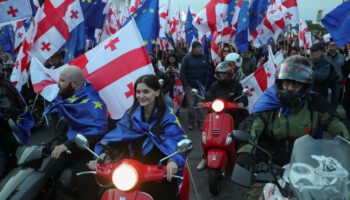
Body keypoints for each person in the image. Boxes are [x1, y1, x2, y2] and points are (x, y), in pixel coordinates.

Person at [235, 55, 350, 200]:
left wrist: (347, 145)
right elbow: (252, 126)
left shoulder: (315, 102)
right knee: (255, 195)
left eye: (295, 84)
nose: (289, 88)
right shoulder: (268, 102)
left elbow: (336, 124)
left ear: (306, 85)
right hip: (271, 163)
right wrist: (246, 154)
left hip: (308, 165)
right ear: (279, 82)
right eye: (286, 82)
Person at [89, 74, 188, 200]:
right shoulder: (130, 115)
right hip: (129, 168)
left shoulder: (168, 116)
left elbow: (177, 140)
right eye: (138, 92)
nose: (141, 96)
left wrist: (173, 161)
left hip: (158, 169)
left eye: (146, 91)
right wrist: (102, 155)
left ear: (157, 92)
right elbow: (117, 137)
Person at [43, 65, 108, 200]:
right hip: (68, 147)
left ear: (75, 83)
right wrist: (58, 143)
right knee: (45, 176)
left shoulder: (92, 102)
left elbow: (97, 132)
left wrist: (67, 145)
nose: (58, 84)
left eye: (62, 80)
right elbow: (63, 125)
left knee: (85, 184)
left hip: (88, 151)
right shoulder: (65, 96)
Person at [196, 60, 249, 171]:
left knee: (238, 131)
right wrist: (204, 102)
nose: (221, 76)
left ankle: (239, 155)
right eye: (220, 74)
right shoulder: (215, 85)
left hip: (232, 114)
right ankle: (205, 157)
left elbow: (242, 96)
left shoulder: (236, 85)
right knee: (208, 133)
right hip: (216, 113)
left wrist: (242, 102)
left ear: (230, 74)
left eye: (224, 74)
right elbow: (208, 97)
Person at [0, 70, 34, 179]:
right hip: (5, 133)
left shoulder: (2, 88)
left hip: (7, 133)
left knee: (12, 163)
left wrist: (5, 119)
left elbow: (10, 111)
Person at [180, 41, 210, 130]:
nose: (200, 49)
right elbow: (182, 72)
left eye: (201, 47)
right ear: (193, 49)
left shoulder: (204, 58)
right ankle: (190, 123)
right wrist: (186, 85)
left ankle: (201, 124)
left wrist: (206, 83)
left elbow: (208, 71)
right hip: (190, 87)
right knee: (191, 107)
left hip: (200, 86)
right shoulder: (187, 58)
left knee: (200, 107)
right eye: (198, 47)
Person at [326, 42, 345, 109]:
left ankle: (334, 113)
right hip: (327, 82)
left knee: (335, 98)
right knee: (327, 98)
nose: (332, 46)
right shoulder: (324, 56)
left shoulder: (342, 57)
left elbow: (344, 70)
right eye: (330, 45)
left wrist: (343, 81)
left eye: (333, 45)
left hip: (337, 81)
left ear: (337, 47)